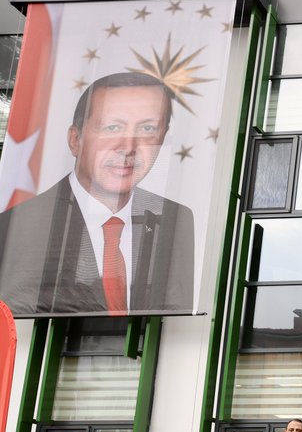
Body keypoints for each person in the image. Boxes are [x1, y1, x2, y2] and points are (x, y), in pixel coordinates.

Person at [0, 72, 194, 315]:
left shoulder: (176, 220)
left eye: (147, 128)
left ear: (162, 138)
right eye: (112, 127)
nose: (128, 147)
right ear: (75, 140)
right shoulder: (18, 226)